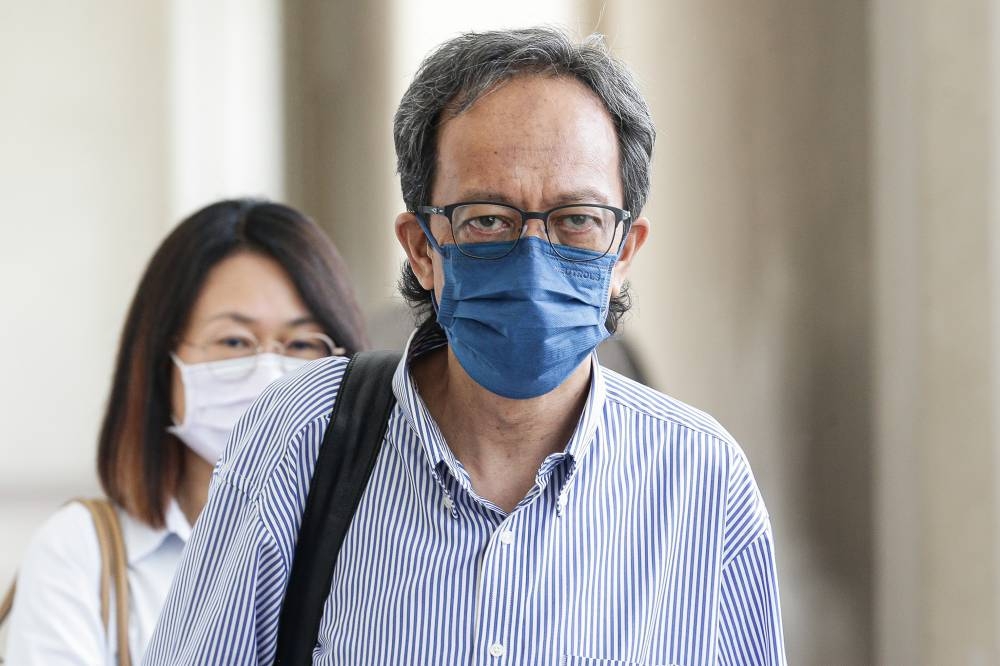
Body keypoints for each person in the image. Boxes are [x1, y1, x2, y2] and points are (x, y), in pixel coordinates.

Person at [145, 28, 786, 665]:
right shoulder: (301, 439)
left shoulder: (702, 481)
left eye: (578, 220)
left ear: (623, 252)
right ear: (423, 248)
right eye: (487, 218)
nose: (535, 261)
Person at [4, 199, 368, 664]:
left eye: (301, 344)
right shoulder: (79, 554)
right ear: (161, 360)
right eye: (233, 341)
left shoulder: (384, 544)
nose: (270, 374)